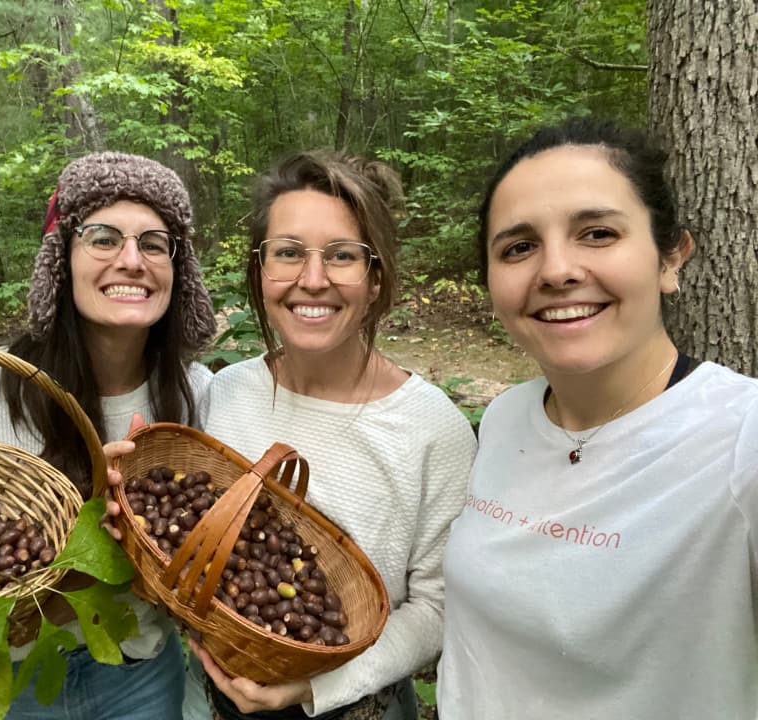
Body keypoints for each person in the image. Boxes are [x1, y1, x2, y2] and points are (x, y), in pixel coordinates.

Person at [106, 150, 476, 720]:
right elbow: (194, 553)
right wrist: (129, 522)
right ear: (259, 270)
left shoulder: (432, 430)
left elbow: (439, 608)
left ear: (375, 279)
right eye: (287, 253)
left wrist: (317, 688)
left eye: (342, 256)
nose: (313, 279)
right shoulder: (222, 393)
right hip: (209, 700)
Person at [436, 118, 758, 719]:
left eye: (598, 233)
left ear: (670, 258)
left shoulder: (741, 439)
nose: (556, 270)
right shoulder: (507, 418)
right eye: (519, 247)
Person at [0, 151, 218, 719]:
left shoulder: (198, 393)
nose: (132, 261)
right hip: (7, 679)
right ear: (61, 259)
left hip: (141, 672)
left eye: (154, 243)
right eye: (103, 238)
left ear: (179, 268)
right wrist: (73, 529)